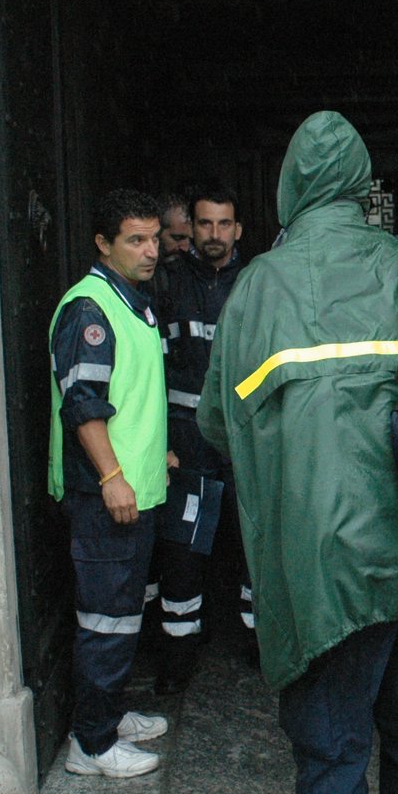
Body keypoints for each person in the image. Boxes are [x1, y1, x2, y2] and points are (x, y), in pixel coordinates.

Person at [196, 112, 398, 794]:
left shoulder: (256, 287)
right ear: (360, 185)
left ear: (289, 188)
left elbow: (218, 421)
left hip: (313, 563)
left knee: (329, 747)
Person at [48, 188, 173, 778]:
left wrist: (157, 450)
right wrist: (114, 477)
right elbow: (84, 404)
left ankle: (108, 712)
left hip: (133, 488)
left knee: (121, 613)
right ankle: (90, 744)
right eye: (136, 240)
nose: (151, 250)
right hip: (107, 496)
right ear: (103, 244)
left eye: (153, 237)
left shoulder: (131, 300)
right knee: (107, 620)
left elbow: (133, 393)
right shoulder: (90, 309)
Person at [153, 187, 250, 692]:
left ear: (238, 229)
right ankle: (176, 663)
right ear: (191, 226)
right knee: (183, 550)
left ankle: (258, 653)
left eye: (224, 224)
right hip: (185, 438)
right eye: (205, 224)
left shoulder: (256, 284)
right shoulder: (166, 279)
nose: (215, 234)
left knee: (251, 546)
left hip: (242, 438)